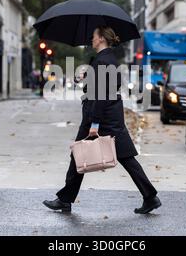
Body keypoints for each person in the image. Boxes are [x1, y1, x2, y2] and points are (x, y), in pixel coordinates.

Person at [43, 26, 161, 214]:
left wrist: (95, 123)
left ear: (101, 40)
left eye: (94, 36)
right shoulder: (106, 59)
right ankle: (150, 197)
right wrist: (84, 76)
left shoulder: (104, 60)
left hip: (101, 116)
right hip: (109, 114)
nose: (91, 39)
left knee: (86, 155)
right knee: (121, 157)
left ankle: (65, 200)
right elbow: (103, 84)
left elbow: (102, 94)